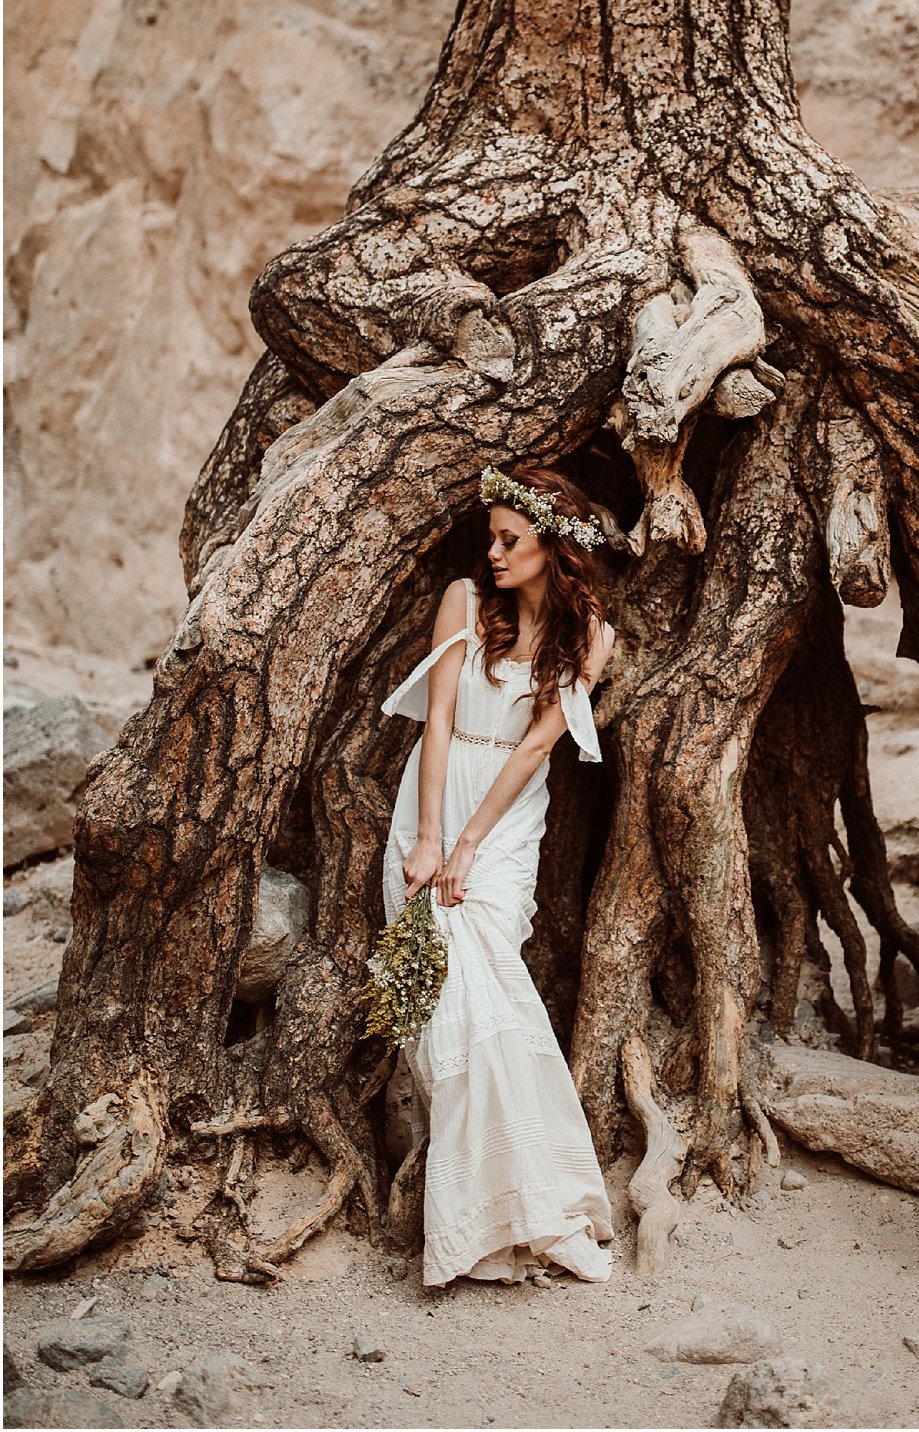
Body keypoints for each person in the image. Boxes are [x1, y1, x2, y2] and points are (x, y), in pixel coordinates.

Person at [380, 461, 616, 1287]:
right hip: (432, 807)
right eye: (491, 536)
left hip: (507, 825)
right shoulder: (463, 604)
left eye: (510, 538)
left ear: (555, 548)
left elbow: (534, 747)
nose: (493, 550)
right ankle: (495, 1219)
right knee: (451, 1016)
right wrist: (430, 838)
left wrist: (474, 843)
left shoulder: (590, 638)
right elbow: (438, 721)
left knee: (497, 999)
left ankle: (543, 1213)